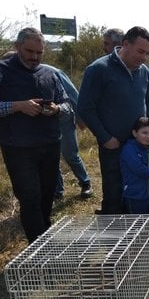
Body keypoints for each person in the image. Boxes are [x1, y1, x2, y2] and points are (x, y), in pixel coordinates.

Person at [0, 27, 71, 242]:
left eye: (39, 53)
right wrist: (18, 106)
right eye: (30, 51)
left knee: (47, 196)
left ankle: (45, 238)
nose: (35, 57)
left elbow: (67, 103)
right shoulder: (3, 71)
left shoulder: (49, 73)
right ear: (17, 47)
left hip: (49, 144)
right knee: (30, 198)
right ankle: (37, 246)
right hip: (18, 147)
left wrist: (57, 109)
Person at [78, 26, 149, 215]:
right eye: (140, 51)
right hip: (113, 145)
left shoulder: (144, 71)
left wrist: (148, 134)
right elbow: (85, 108)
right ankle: (113, 238)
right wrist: (105, 138)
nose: (144, 58)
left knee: (136, 189)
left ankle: (135, 236)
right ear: (125, 44)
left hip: (139, 145)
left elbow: (147, 103)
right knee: (114, 191)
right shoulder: (98, 69)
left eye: (147, 53)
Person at [45, 64, 92, 199]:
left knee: (70, 154)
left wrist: (81, 119)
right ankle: (57, 190)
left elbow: (72, 94)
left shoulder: (52, 71)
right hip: (42, 123)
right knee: (51, 156)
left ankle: (85, 183)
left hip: (63, 118)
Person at [120, 117, 149, 247]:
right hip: (134, 196)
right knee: (137, 223)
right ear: (135, 133)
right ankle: (139, 247)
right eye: (144, 133)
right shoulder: (129, 149)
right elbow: (137, 168)